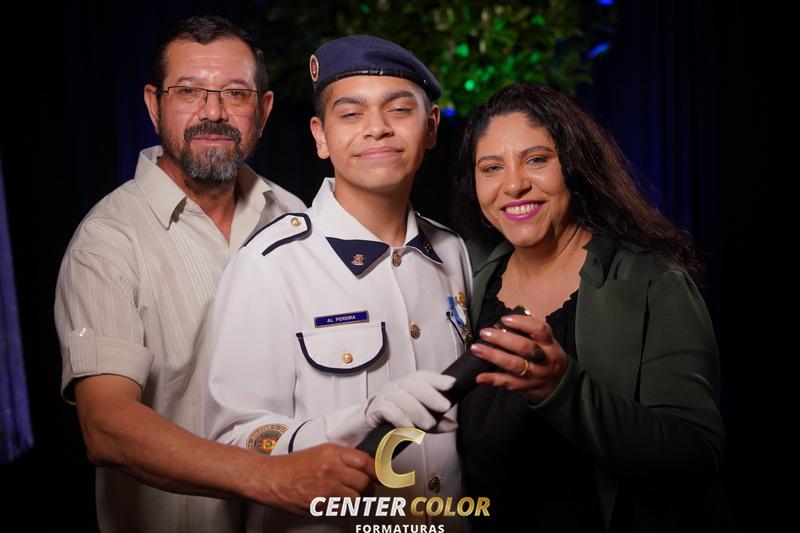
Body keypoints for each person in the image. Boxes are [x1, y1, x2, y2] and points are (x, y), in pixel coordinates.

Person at [54, 16, 375, 533]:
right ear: (153, 105)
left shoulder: (295, 216)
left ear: (263, 110)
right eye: (188, 92)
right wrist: (271, 477)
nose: (212, 112)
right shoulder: (107, 241)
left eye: (235, 93)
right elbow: (106, 427)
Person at [206, 35, 471, 532]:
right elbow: (238, 441)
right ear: (321, 136)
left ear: (431, 126)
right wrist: (359, 420)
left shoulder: (452, 253)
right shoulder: (271, 265)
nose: (377, 128)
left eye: (399, 109)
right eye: (350, 114)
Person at [451, 83, 729, 532]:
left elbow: (694, 457)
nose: (514, 184)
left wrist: (562, 388)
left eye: (536, 160)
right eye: (492, 168)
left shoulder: (652, 282)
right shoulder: (467, 283)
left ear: (575, 166)